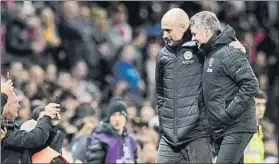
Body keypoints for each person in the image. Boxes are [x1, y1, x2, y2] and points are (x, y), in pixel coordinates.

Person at [156, 8, 246, 163]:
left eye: (168, 30)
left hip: (198, 134)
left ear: (183, 28)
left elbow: (229, 60)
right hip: (169, 138)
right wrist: (165, 121)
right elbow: (160, 93)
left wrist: (244, 51)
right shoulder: (162, 55)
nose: (164, 35)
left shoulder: (201, 49)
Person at [190, 11, 259, 163]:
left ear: (207, 31)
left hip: (236, 125)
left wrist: (229, 113)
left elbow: (251, 84)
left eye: (195, 34)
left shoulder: (228, 52)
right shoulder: (210, 53)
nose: (193, 38)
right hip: (223, 128)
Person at [1, 78, 61, 163]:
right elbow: (35, 139)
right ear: (6, 105)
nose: (19, 106)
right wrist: (46, 117)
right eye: (15, 102)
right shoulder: (4, 130)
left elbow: (40, 146)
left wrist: (51, 125)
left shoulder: (12, 127)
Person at [85, 97, 138, 163]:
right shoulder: (100, 139)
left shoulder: (131, 140)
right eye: (113, 115)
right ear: (109, 119)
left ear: (126, 118)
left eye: (120, 115)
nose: (117, 119)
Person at [244, 90, 266, 163]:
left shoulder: (259, 129)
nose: (262, 109)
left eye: (263, 104)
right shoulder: (241, 129)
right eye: (258, 104)